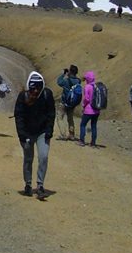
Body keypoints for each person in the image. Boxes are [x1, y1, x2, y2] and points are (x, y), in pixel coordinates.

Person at [14, 71, 55, 199]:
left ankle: (40, 185)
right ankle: (28, 184)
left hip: (42, 132)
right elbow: (19, 116)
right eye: (33, 88)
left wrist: (49, 131)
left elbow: (51, 114)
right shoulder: (23, 97)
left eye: (38, 88)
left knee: (43, 157)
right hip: (27, 132)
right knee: (28, 158)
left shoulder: (47, 95)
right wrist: (22, 135)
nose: (36, 91)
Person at [56, 65, 81, 140]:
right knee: (70, 119)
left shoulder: (66, 80)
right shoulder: (78, 81)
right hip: (72, 103)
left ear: (70, 71)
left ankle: (63, 134)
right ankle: (72, 135)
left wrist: (63, 74)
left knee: (60, 117)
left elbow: (59, 82)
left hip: (64, 102)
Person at [78, 71, 101, 146]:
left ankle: (81, 141)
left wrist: (83, 105)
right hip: (96, 110)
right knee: (93, 126)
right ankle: (93, 143)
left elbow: (87, 99)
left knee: (83, 124)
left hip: (88, 110)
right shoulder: (97, 86)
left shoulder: (87, 87)